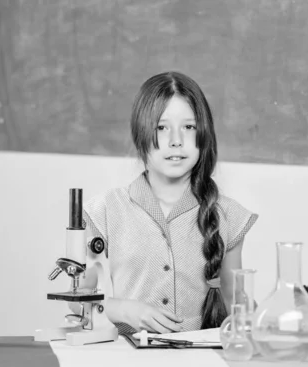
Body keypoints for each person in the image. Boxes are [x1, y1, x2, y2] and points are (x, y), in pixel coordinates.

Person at [80, 71, 258, 334]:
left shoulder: (229, 215)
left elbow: (236, 301)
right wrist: (125, 309)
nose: (176, 140)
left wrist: (276, 317)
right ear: (141, 134)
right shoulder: (106, 210)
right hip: (130, 359)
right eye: (161, 128)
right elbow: (77, 300)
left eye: (189, 127)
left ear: (203, 134)